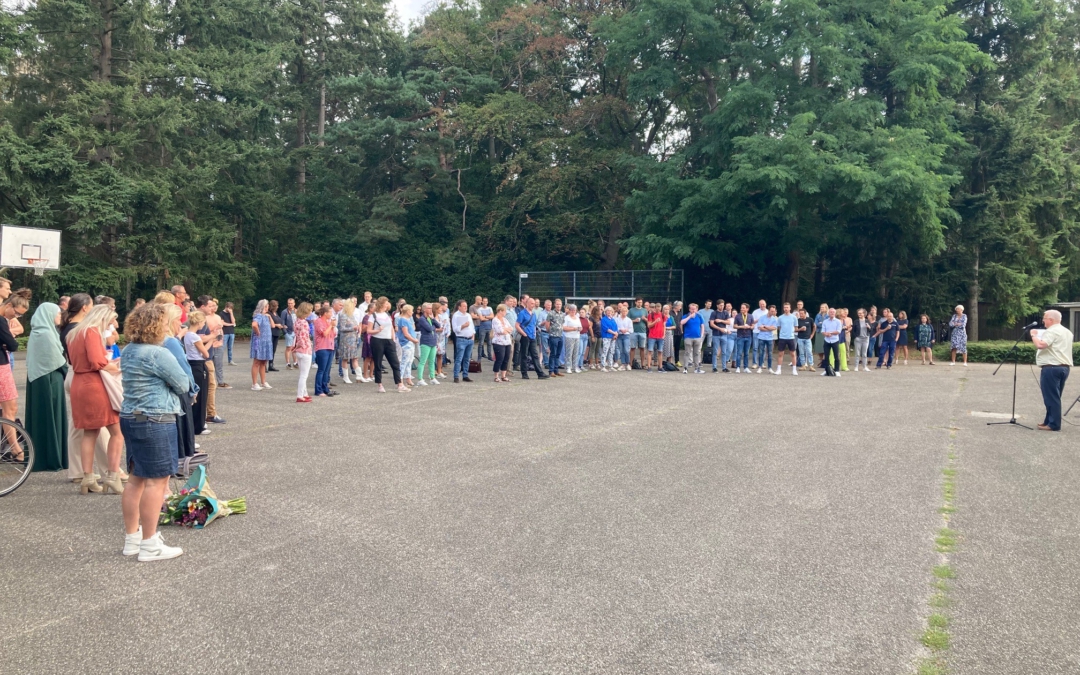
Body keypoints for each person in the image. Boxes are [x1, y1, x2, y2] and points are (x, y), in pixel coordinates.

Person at [119, 303, 191, 561]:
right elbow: (183, 383)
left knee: (135, 478)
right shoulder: (158, 354)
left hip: (130, 416)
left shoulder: (128, 350)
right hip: (155, 419)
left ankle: (133, 538)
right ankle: (150, 544)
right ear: (157, 325)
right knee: (157, 481)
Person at [66, 304, 125, 495]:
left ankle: (88, 477)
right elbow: (96, 361)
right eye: (108, 322)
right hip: (94, 385)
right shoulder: (91, 331)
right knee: (116, 431)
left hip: (79, 382)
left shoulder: (73, 334)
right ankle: (112, 475)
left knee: (89, 433)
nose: (109, 326)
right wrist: (114, 366)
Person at [26, 303, 69, 472]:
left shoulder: (40, 332)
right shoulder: (45, 334)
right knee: (51, 416)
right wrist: (68, 370)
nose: (59, 316)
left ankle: (43, 456)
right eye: (57, 314)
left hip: (42, 379)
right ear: (49, 314)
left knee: (42, 416)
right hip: (49, 380)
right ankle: (51, 457)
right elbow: (56, 360)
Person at [159, 303, 198, 459]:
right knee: (182, 427)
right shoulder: (171, 341)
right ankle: (182, 460)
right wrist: (193, 389)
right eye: (178, 320)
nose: (181, 324)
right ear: (170, 321)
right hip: (178, 389)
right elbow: (184, 367)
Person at [1031, 309, 1073, 432]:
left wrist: (1033, 335)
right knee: (1054, 396)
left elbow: (1041, 345)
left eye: (1044, 318)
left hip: (1051, 367)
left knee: (1051, 397)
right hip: (1064, 367)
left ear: (1050, 320)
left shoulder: (1052, 331)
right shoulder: (1067, 332)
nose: (1043, 321)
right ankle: (1048, 421)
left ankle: (1054, 424)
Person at [183, 311, 211, 438]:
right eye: (203, 322)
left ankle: (195, 423)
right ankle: (199, 425)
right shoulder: (195, 337)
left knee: (195, 395)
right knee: (202, 395)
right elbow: (206, 354)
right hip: (198, 365)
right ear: (199, 323)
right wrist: (212, 342)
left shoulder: (187, 335)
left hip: (190, 363)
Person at [370, 297, 406, 393]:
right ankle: (380, 384)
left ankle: (399, 384)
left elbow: (391, 328)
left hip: (389, 340)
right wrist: (377, 330)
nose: (388, 304)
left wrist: (393, 339)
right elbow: (369, 330)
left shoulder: (387, 314)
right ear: (382, 304)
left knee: (395, 363)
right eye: (386, 303)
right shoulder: (373, 316)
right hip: (377, 340)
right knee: (378, 363)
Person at [312, 306, 337, 397]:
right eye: (330, 312)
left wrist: (332, 326)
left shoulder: (328, 321)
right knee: (321, 370)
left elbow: (333, 334)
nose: (331, 314)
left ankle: (325, 388)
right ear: (325, 313)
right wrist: (331, 325)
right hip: (322, 347)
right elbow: (324, 333)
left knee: (327, 370)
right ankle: (318, 390)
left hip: (330, 346)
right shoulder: (318, 321)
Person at [415, 303, 440, 386]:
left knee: (432, 361)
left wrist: (433, 319)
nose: (430, 310)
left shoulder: (430, 318)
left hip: (433, 341)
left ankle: (432, 378)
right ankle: (420, 379)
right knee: (423, 361)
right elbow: (429, 329)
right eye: (429, 308)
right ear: (424, 309)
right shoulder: (422, 319)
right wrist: (434, 326)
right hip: (426, 342)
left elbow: (438, 325)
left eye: (431, 308)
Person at [293, 302, 313, 402]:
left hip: (298, 350)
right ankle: (300, 395)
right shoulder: (304, 322)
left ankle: (304, 393)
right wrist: (306, 346)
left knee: (302, 374)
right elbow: (303, 337)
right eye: (309, 310)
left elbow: (297, 336)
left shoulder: (297, 321)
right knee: (304, 375)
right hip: (305, 350)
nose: (311, 312)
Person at [451, 299, 476, 383]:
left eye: (466, 306)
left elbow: (472, 326)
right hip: (461, 339)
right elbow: (455, 329)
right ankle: (456, 376)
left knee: (467, 358)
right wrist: (463, 326)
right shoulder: (456, 316)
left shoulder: (468, 315)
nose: (466, 307)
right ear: (459, 307)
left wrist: (473, 335)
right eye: (464, 306)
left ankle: (465, 375)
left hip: (470, 339)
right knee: (459, 358)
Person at [337, 298, 360, 384]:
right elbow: (342, 328)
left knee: (354, 357)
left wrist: (357, 328)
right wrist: (352, 328)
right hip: (346, 340)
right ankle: (345, 377)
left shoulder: (351, 315)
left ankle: (359, 376)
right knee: (345, 358)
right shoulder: (343, 315)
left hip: (353, 339)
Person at [397, 304, 420, 387]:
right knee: (404, 362)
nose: (412, 312)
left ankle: (408, 378)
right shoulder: (403, 320)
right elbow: (405, 333)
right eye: (411, 311)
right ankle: (400, 380)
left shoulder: (408, 319)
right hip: (406, 343)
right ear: (407, 311)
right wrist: (414, 340)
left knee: (409, 361)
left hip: (410, 343)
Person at [680, 303, 706, 374]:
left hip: (697, 337)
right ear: (689, 309)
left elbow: (702, 326)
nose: (693, 310)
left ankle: (697, 368)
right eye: (692, 308)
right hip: (688, 337)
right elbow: (682, 323)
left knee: (697, 353)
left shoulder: (699, 316)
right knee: (687, 353)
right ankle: (685, 368)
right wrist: (689, 317)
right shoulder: (685, 316)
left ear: (697, 309)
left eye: (694, 309)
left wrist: (701, 335)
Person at [819, 308, 843, 377]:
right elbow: (822, 331)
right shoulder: (825, 321)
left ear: (835, 313)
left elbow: (838, 331)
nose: (832, 313)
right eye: (830, 312)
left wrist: (830, 333)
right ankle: (826, 370)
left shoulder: (838, 321)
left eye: (833, 312)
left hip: (835, 340)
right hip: (827, 340)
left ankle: (837, 370)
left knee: (836, 356)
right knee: (826, 356)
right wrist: (826, 334)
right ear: (828, 313)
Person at [776, 303, 798, 375]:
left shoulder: (794, 317)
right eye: (785, 307)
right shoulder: (780, 317)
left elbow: (796, 327)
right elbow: (779, 327)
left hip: (791, 337)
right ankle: (779, 369)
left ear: (790, 308)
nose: (786, 309)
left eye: (787, 307)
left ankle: (794, 370)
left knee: (793, 354)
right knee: (780, 353)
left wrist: (790, 332)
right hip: (782, 337)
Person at [755, 305, 778, 374]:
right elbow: (759, 327)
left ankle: (770, 368)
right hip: (761, 337)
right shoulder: (762, 318)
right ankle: (760, 367)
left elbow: (774, 328)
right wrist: (768, 328)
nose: (773, 312)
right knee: (761, 352)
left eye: (773, 311)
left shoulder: (774, 319)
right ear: (768, 310)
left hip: (770, 338)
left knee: (770, 353)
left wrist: (765, 326)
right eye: (771, 311)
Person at [547, 299, 566, 376]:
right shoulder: (551, 313)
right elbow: (547, 324)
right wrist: (550, 332)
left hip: (560, 336)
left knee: (558, 354)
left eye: (560, 304)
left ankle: (556, 370)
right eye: (557, 304)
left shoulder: (562, 314)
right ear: (555, 305)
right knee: (553, 354)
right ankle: (551, 371)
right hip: (553, 336)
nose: (558, 306)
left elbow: (562, 324)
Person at [561, 304, 582, 374]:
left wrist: (579, 329)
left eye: (574, 310)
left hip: (577, 337)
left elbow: (580, 327)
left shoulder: (577, 318)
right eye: (572, 310)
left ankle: (575, 366)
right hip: (569, 336)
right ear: (569, 310)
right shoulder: (566, 318)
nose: (573, 311)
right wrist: (574, 328)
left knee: (576, 353)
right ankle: (568, 367)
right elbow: (564, 328)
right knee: (569, 353)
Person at [734, 304, 754, 373]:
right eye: (741, 307)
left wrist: (750, 327)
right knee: (739, 352)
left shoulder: (750, 316)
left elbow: (753, 325)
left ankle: (746, 367)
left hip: (748, 336)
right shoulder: (738, 316)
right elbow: (735, 326)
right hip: (740, 336)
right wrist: (742, 326)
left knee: (747, 353)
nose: (741, 309)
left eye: (743, 308)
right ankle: (738, 367)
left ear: (747, 309)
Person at [646, 303, 666, 372]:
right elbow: (649, 325)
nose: (658, 308)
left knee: (660, 351)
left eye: (659, 307)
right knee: (650, 351)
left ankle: (660, 367)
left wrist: (664, 334)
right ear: (654, 308)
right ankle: (649, 367)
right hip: (652, 336)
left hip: (660, 336)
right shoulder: (650, 315)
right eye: (656, 307)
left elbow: (664, 326)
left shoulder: (663, 315)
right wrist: (655, 322)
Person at [629, 298, 648, 368]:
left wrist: (645, 319)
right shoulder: (631, 310)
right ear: (635, 302)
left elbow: (649, 320)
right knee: (632, 348)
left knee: (642, 348)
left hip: (642, 331)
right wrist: (634, 320)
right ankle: (630, 363)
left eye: (641, 302)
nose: (640, 304)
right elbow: (627, 320)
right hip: (633, 331)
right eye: (638, 302)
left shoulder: (645, 310)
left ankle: (643, 364)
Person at [599, 306, 618, 372]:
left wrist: (616, 334)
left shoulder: (613, 319)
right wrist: (614, 333)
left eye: (610, 311)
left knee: (611, 351)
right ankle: (603, 366)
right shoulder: (603, 319)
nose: (609, 312)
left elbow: (616, 327)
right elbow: (605, 328)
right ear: (605, 312)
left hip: (613, 338)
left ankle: (610, 365)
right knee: (605, 351)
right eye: (608, 311)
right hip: (606, 337)